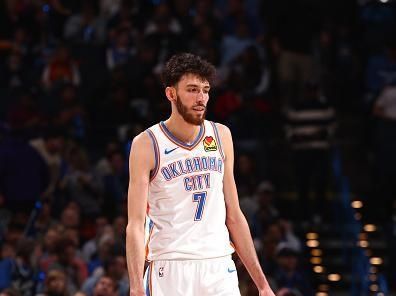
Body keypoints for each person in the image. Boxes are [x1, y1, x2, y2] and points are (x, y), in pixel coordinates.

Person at [126, 53, 275, 295]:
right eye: (192, 90)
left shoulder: (221, 135)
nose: (201, 98)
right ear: (171, 94)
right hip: (169, 265)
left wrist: (262, 284)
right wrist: (135, 287)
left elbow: (234, 214)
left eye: (205, 90)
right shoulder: (147, 143)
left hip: (218, 265)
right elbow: (135, 224)